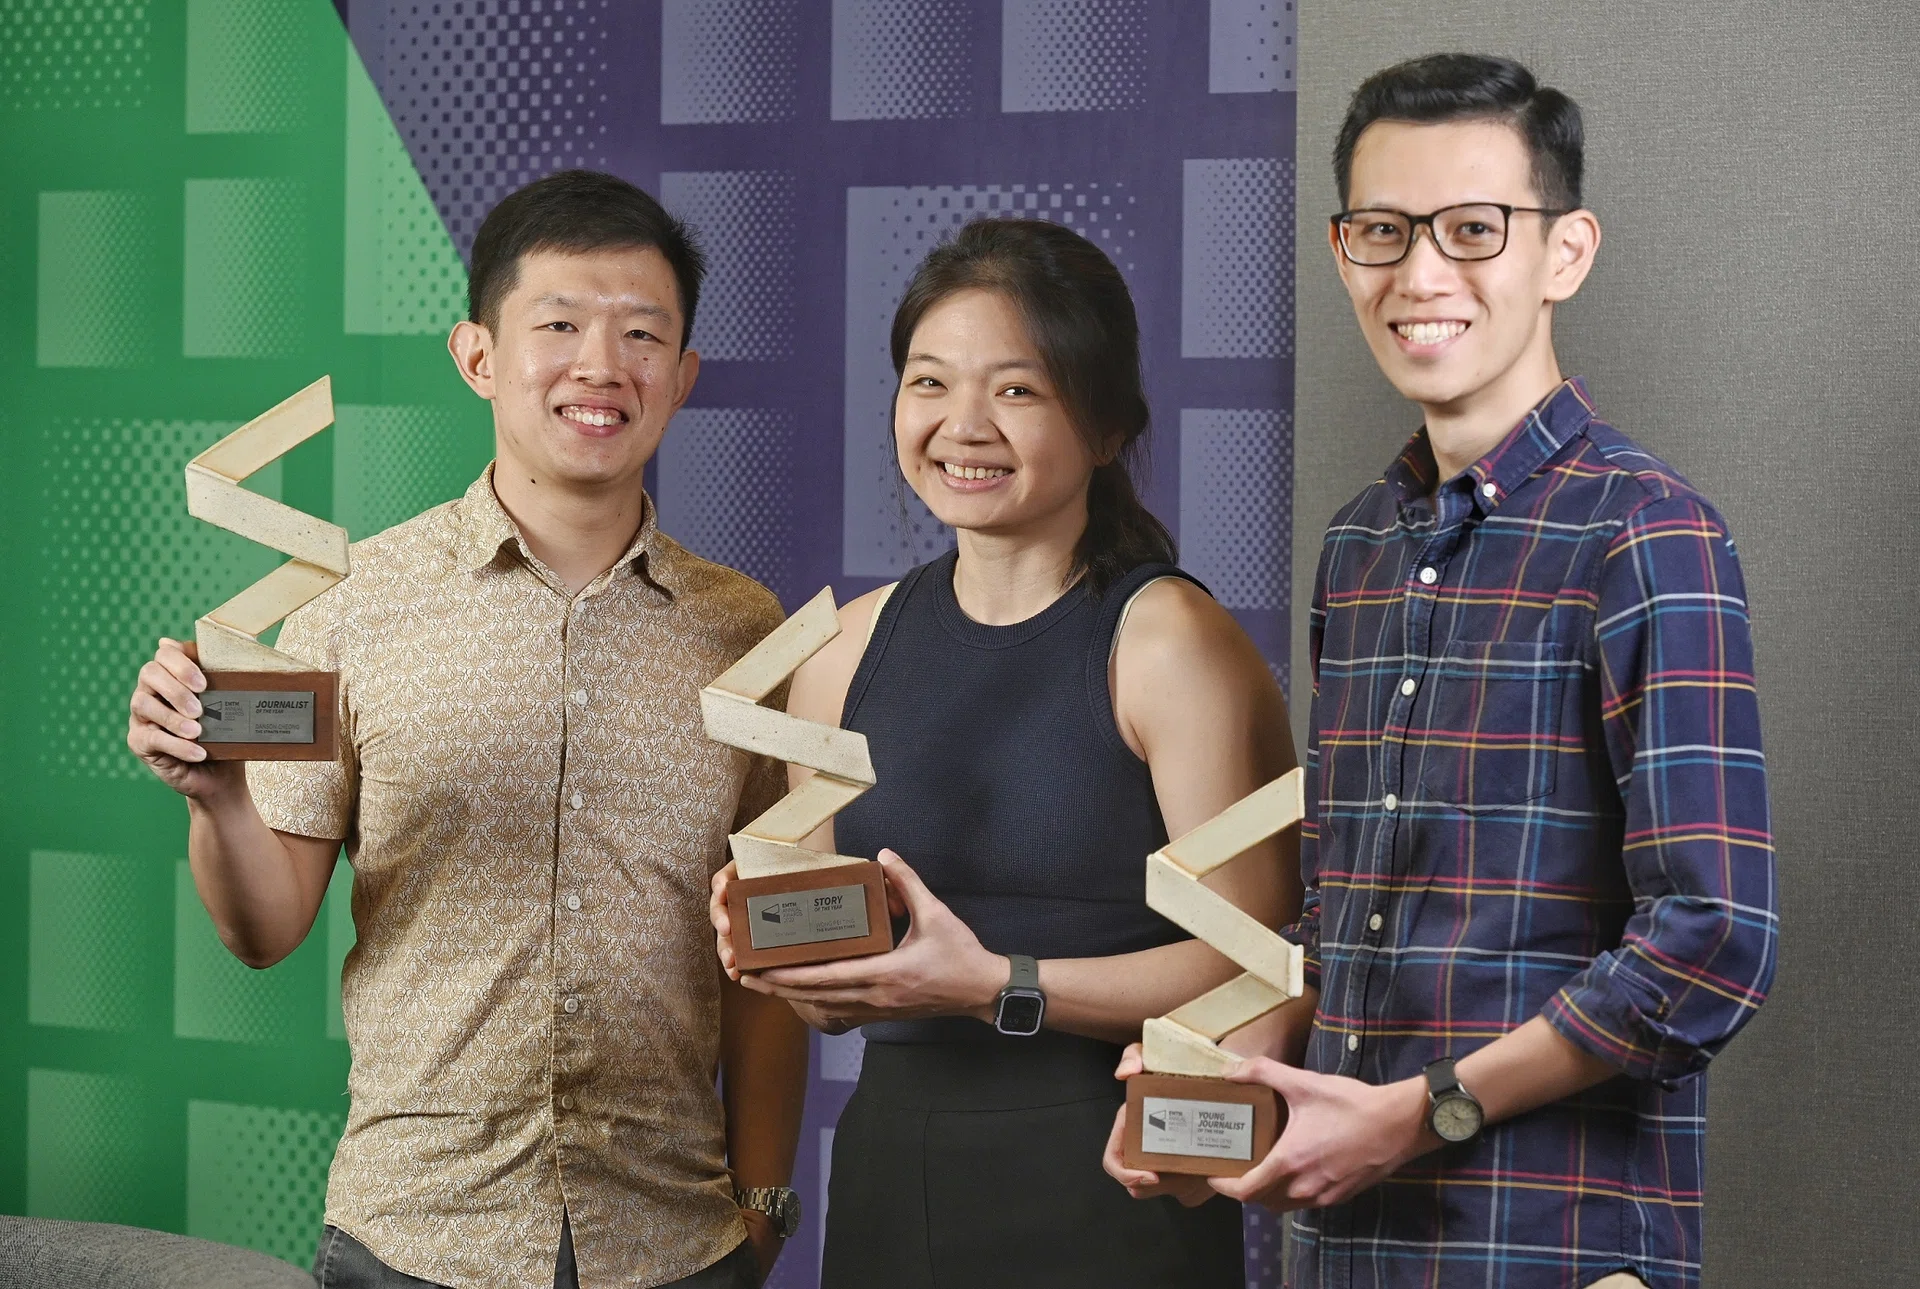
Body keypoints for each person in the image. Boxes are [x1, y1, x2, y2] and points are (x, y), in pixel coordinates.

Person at [1108, 54, 1778, 1289]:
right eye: (1383, 231)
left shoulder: (1648, 532)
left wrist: (1423, 1111)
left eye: (1474, 230)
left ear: (1564, 252)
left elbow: (1709, 941)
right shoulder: (1361, 544)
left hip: (1558, 1250)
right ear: (1341, 248)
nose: (1421, 274)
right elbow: (1345, 914)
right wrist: (1215, 1079)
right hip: (1351, 1249)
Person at [127, 170, 809, 1289]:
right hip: (416, 1234)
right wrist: (214, 794)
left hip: (677, 1241)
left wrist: (763, 1199)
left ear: (682, 377)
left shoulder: (747, 630)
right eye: (559, 325)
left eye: (643, 334)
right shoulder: (351, 607)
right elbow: (265, 926)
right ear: (479, 355)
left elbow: (769, 956)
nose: (601, 365)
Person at [707, 217, 1301, 1288]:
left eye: (1017, 389)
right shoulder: (841, 650)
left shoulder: (1169, 642)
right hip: (895, 1163)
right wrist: (784, 956)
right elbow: (833, 983)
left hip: (1109, 1169)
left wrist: (995, 983)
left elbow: (1258, 963)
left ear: (1108, 423)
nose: (962, 424)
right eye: (929, 382)